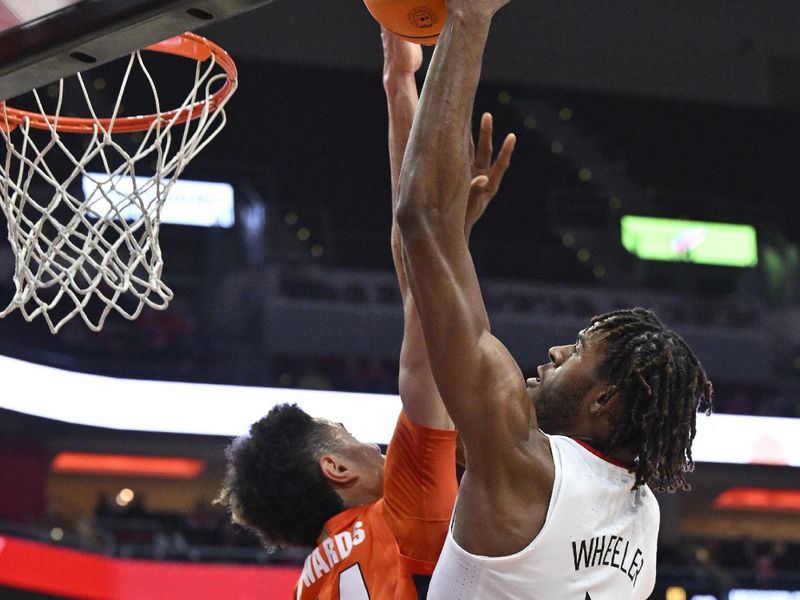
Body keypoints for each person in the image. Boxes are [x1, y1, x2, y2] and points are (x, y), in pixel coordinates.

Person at [395, 2, 714, 598]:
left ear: (606, 399)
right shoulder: (642, 515)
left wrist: (468, 18)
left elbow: (422, 217)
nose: (556, 348)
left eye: (579, 351)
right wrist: (447, 241)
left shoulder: (524, 465)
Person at [215, 29, 514, 600]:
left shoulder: (312, 585)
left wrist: (399, 83)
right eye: (350, 438)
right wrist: (398, 81)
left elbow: (420, 290)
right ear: (337, 470)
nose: (377, 447)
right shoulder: (398, 515)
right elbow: (421, 303)